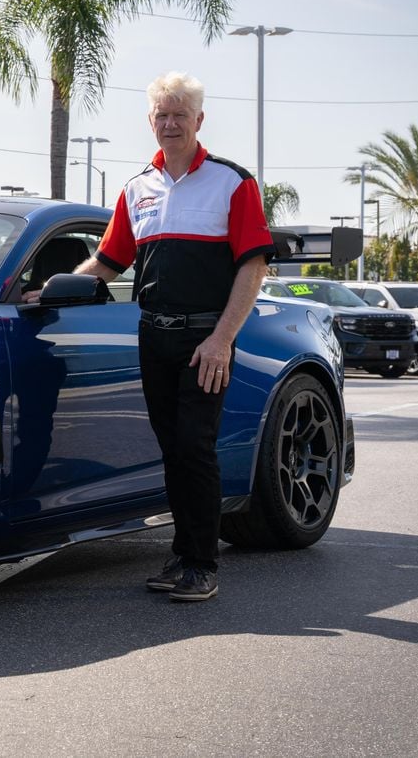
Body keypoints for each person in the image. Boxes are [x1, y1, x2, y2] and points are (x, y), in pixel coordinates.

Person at [71, 71, 273, 601]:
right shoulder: (137, 188)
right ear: (150, 122)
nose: (170, 123)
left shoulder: (233, 182)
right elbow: (110, 260)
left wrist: (221, 339)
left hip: (205, 340)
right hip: (153, 337)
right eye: (162, 115)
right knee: (172, 449)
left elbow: (253, 267)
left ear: (199, 121)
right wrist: (54, 287)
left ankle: (202, 563)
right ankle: (183, 553)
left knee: (195, 446)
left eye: (180, 114)